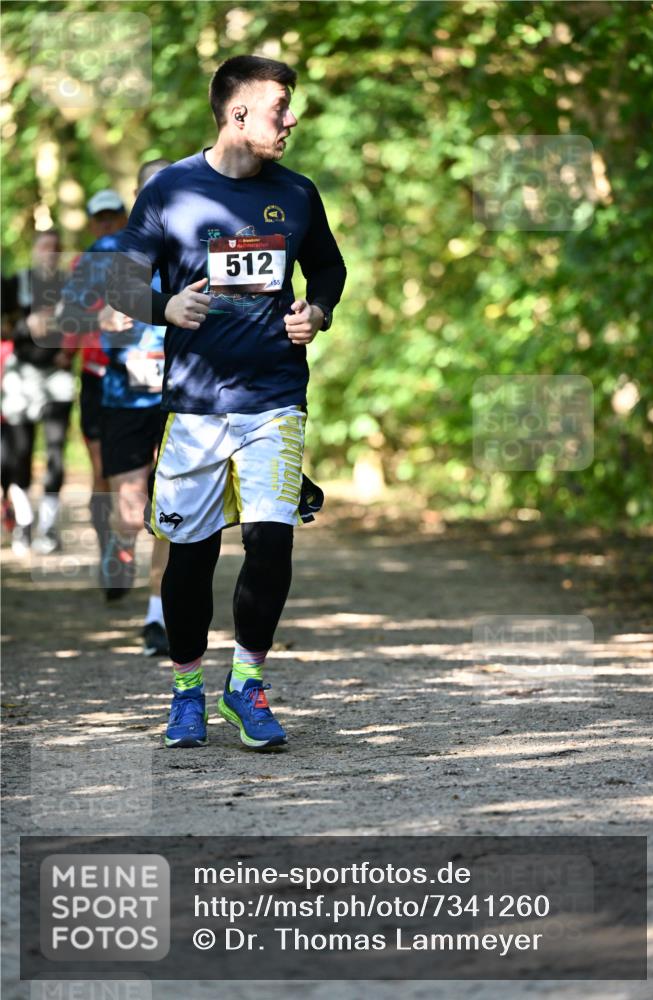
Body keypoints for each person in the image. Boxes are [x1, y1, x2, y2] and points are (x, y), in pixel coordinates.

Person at [110, 54, 346, 749]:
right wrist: (164, 304)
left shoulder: (297, 193)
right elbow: (117, 283)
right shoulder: (171, 191)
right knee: (190, 556)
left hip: (274, 397)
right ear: (237, 113)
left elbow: (327, 266)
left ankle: (246, 686)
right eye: (281, 107)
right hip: (195, 405)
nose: (292, 118)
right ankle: (187, 691)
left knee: (270, 540)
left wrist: (319, 312)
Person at [60, 163, 172, 656]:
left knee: (174, 508)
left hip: (186, 394)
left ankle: (159, 615)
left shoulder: (200, 242)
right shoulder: (108, 250)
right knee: (131, 511)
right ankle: (120, 547)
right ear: (137, 195)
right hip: (125, 394)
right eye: (152, 187)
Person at [63, 191, 127, 579]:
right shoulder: (82, 264)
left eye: (113, 216)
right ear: (90, 223)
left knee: (144, 469)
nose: (106, 223)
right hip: (97, 376)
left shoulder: (147, 255)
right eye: (99, 218)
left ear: (125, 218)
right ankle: (110, 554)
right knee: (103, 469)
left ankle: (132, 547)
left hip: (146, 377)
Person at [1, 230, 75, 555]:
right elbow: (5, 326)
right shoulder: (16, 282)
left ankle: (47, 527)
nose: (50, 253)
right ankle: (23, 524)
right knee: (20, 454)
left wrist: (68, 350)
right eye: (44, 247)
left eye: (56, 248)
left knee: (56, 453)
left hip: (57, 377)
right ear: (34, 251)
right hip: (21, 378)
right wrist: (24, 325)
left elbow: (83, 324)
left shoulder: (70, 285)